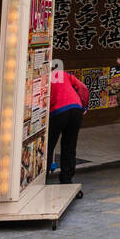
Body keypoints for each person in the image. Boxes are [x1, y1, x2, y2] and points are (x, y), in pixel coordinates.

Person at [48, 67, 89, 195]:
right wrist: (84, 105)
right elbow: (83, 87)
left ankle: (42, 178)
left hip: (58, 111)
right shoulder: (64, 74)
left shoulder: (43, 78)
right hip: (76, 109)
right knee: (70, 146)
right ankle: (66, 179)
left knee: (49, 145)